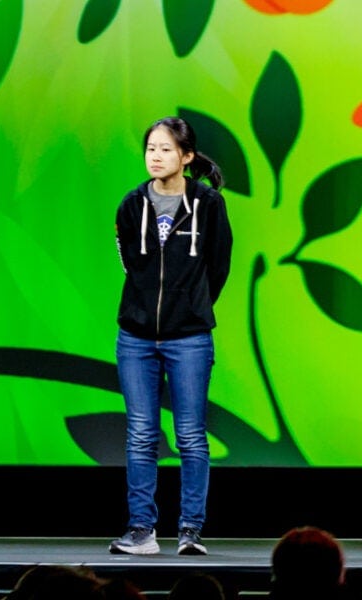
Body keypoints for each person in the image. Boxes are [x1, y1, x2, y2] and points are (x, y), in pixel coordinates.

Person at [107, 117, 233, 556]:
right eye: (150, 149)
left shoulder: (208, 204)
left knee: (190, 436)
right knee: (141, 433)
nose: (155, 156)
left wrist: (192, 306)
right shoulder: (130, 204)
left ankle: (190, 530)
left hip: (190, 338)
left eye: (164, 149)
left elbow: (218, 266)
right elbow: (130, 266)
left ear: (186, 156)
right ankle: (142, 530)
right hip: (136, 337)